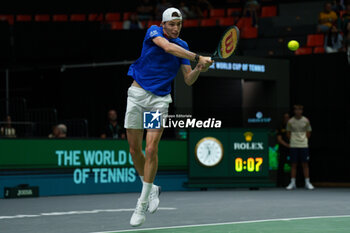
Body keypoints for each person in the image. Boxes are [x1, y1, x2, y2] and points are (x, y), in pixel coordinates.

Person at [125, 7, 213, 227]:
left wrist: (199, 68)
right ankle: (152, 187)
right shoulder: (153, 32)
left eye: (179, 24)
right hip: (137, 96)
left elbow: (188, 80)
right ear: (163, 24)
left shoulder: (183, 46)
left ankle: (142, 202)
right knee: (135, 150)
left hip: (158, 101)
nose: (175, 28)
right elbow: (167, 47)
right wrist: (197, 57)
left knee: (152, 148)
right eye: (171, 24)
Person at [286, 105, 314, 190]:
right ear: (294, 111)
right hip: (294, 145)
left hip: (304, 145)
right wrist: (294, 140)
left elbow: (308, 132)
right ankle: (293, 182)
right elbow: (288, 133)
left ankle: (307, 182)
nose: (298, 111)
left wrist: (303, 139)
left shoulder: (306, 120)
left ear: (302, 111)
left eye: (300, 110)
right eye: (296, 110)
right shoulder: (290, 121)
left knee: (305, 164)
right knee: (293, 164)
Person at [276, 113, 290, 187]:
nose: (286, 119)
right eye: (285, 117)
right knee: (281, 165)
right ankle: (280, 183)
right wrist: (287, 145)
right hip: (283, 148)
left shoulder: (292, 126)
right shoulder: (280, 126)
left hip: (293, 148)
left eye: (288, 117)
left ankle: (295, 182)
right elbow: (279, 139)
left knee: (294, 165)